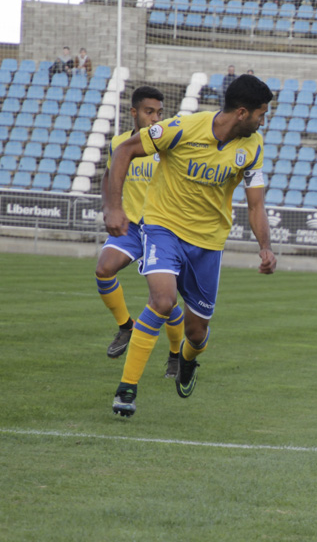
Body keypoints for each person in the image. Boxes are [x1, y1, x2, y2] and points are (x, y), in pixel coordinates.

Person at [104, 75, 276, 417]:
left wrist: (265, 247)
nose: (262, 120)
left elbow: (255, 205)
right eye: (261, 114)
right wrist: (113, 206)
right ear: (242, 112)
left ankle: (186, 358)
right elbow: (125, 149)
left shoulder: (253, 146)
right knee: (163, 300)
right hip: (163, 227)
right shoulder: (182, 128)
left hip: (208, 244)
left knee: (197, 334)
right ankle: (126, 389)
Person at [96, 87, 177, 371]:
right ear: (134, 112)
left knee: (164, 299)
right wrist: (109, 207)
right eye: (149, 112)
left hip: (161, 229)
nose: (155, 118)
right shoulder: (119, 143)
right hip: (131, 226)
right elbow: (108, 175)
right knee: (103, 270)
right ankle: (125, 326)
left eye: (159, 113)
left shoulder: (166, 142)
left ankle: (177, 354)